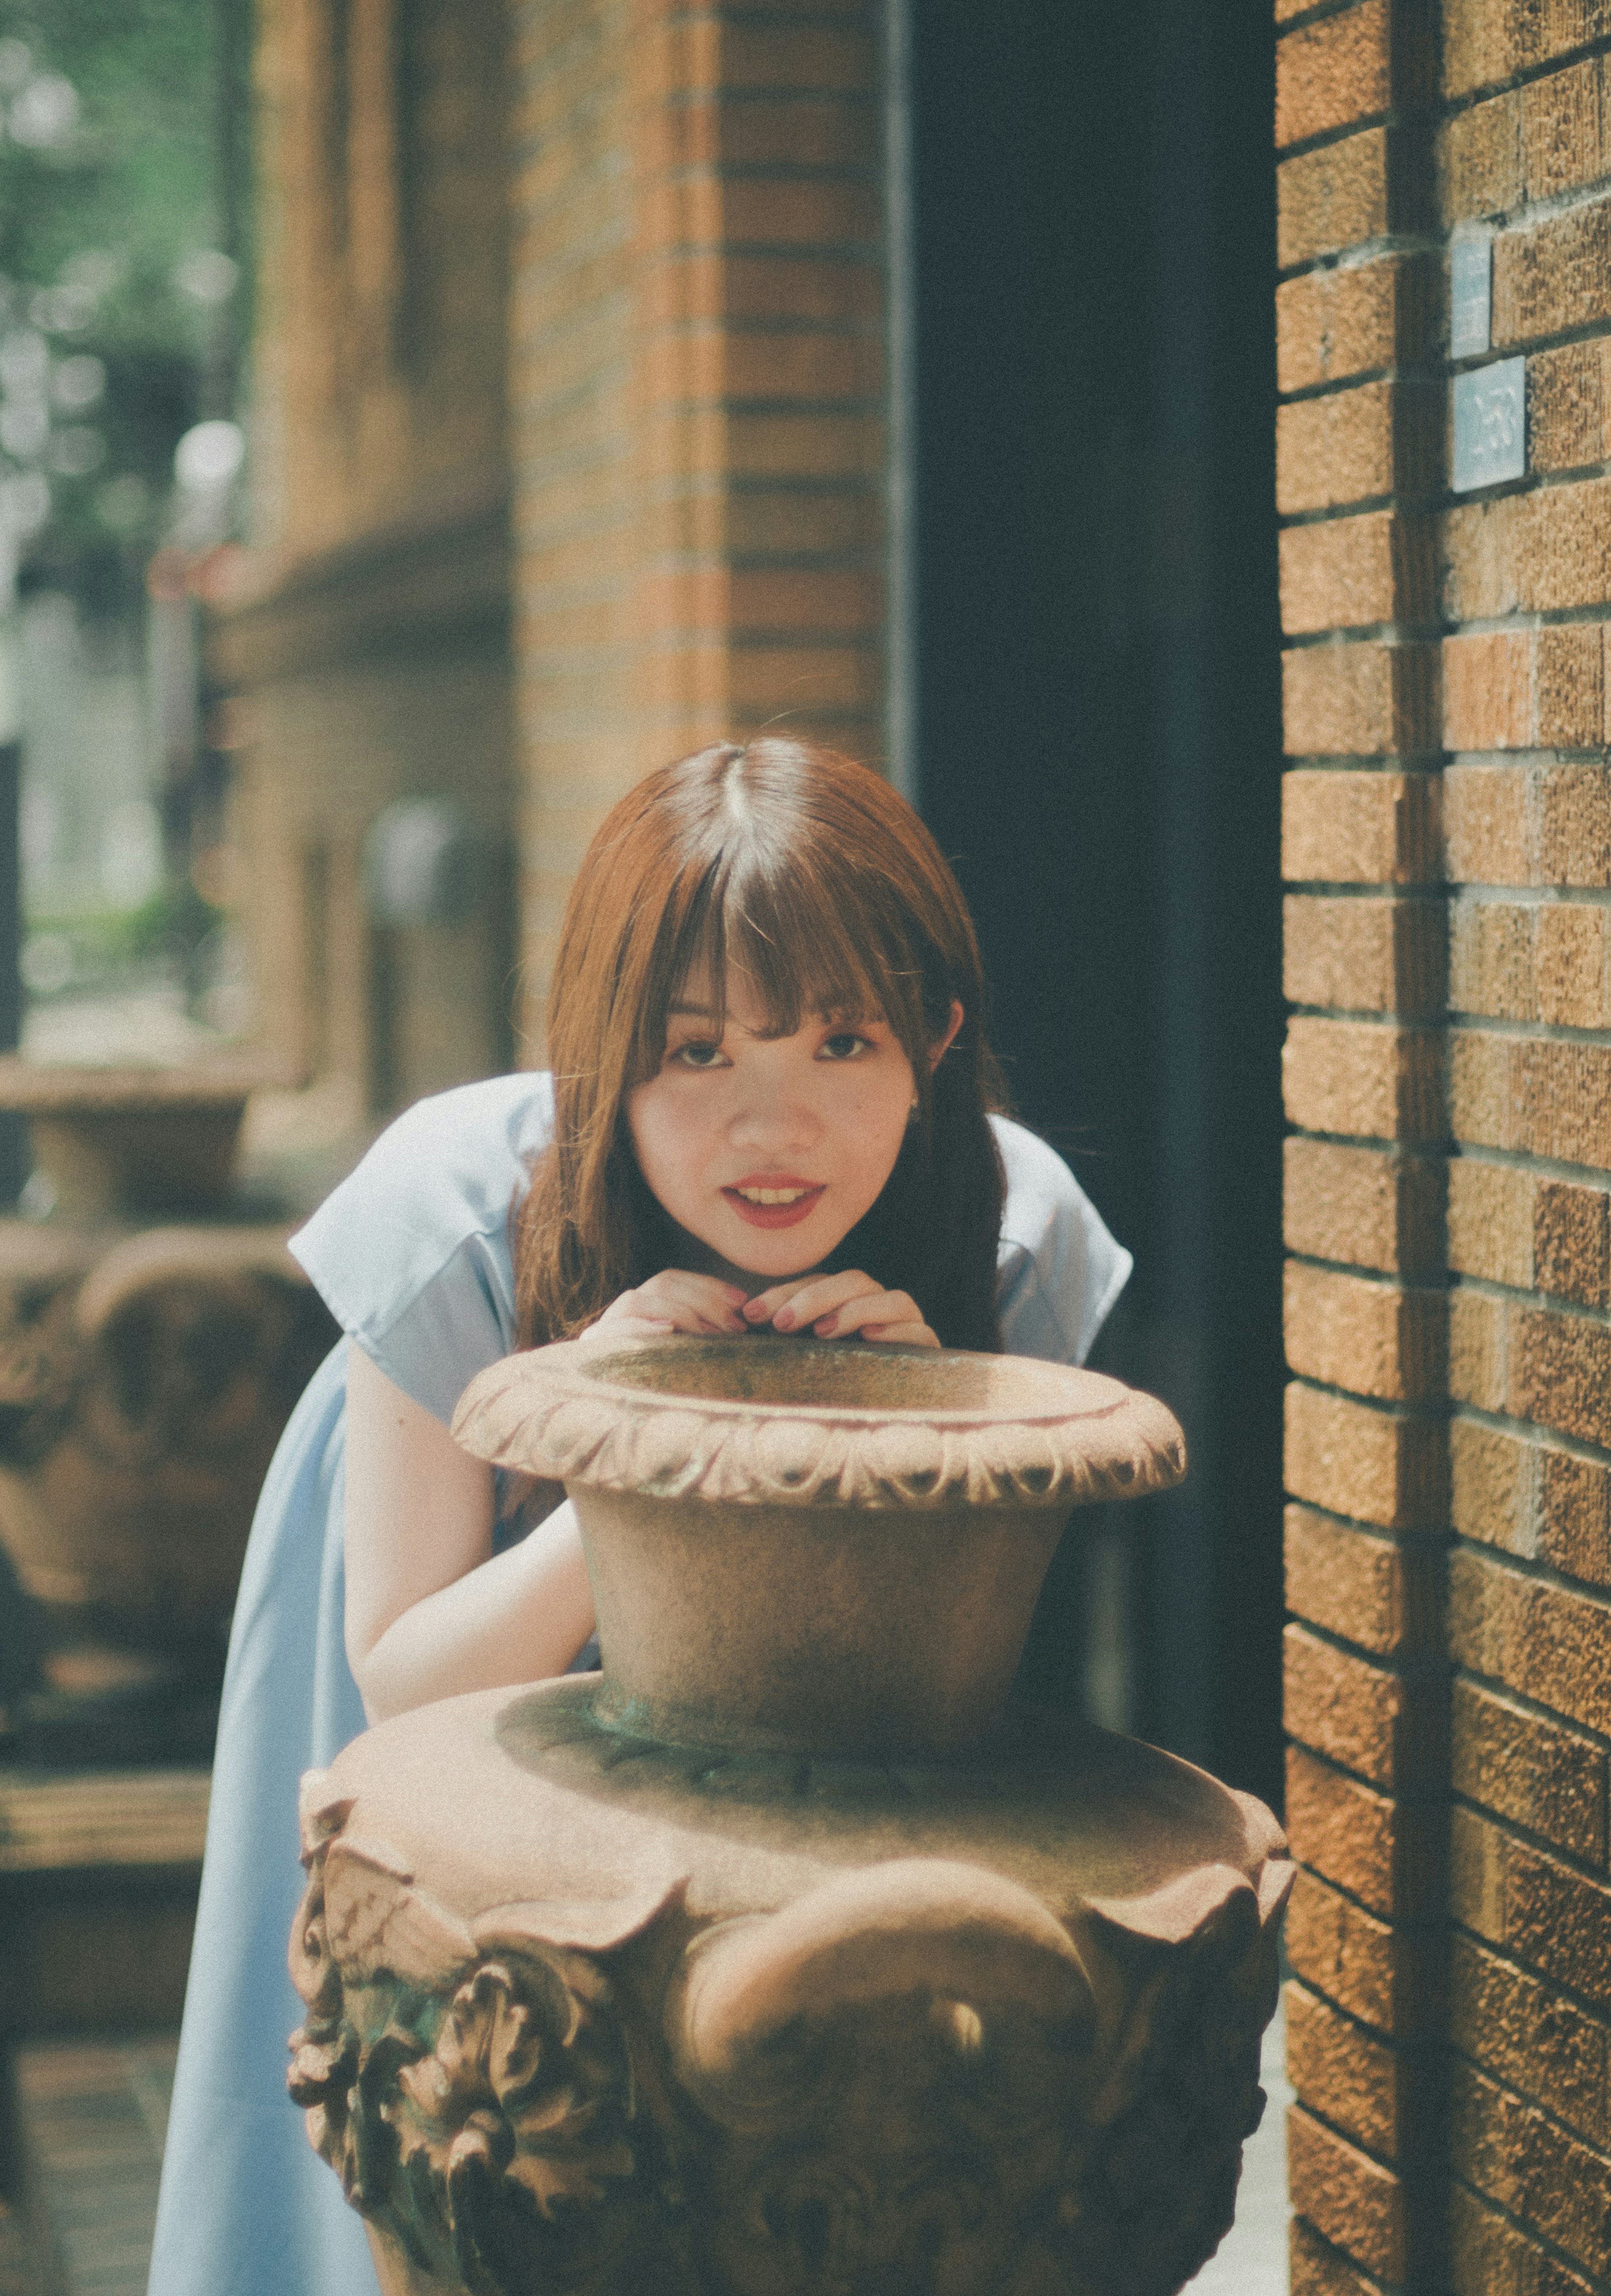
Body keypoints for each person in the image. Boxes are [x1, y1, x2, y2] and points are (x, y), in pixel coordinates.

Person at [146, 738, 1132, 2296]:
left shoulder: (1010, 1241)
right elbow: (402, 1671)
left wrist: (909, 1440)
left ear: (936, 1039)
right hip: (465, 1665)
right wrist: (626, 1450)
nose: (773, 1125)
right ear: (607, 1056)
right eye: (696, 1055)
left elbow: (950, 1703)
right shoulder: (467, 1219)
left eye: (840, 1043)